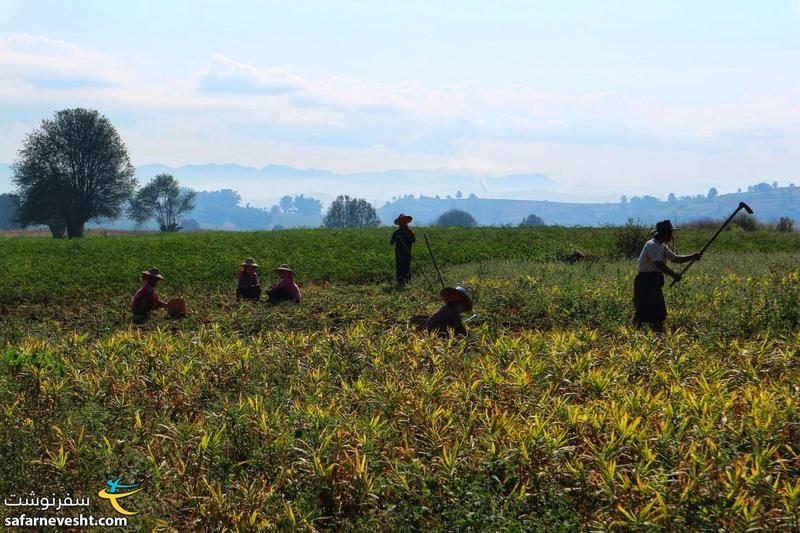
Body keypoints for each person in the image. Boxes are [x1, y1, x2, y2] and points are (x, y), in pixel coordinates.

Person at [634, 220, 702, 332]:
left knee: (657, 313)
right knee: (642, 312)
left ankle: (659, 337)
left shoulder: (662, 246)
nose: (672, 236)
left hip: (654, 282)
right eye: (671, 233)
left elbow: (676, 259)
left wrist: (692, 256)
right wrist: (674, 275)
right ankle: (634, 337)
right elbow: (659, 264)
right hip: (645, 281)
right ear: (664, 234)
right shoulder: (653, 245)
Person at [390, 214, 415, 287]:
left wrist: (406, 236)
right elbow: (391, 242)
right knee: (399, 267)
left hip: (407, 253)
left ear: (406, 222)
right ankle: (400, 282)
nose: (402, 223)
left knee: (407, 267)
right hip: (399, 254)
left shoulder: (410, 232)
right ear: (399, 223)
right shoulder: (396, 232)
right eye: (401, 222)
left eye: (404, 222)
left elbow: (413, 240)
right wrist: (396, 238)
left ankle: (407, 282)